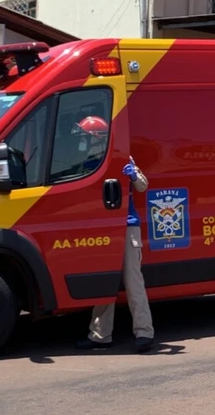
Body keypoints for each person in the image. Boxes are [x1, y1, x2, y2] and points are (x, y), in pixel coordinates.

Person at [73, 116, 155, 353]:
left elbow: (142, 185)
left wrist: (132, 173)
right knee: (104, 282)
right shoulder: (87, 162)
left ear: (97, 138)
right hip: (102, 228)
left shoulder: (121, 156)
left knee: (133, 282)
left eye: (85, 137)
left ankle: (144, 333)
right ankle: (100, 335)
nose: (82, 141)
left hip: (126, 227)